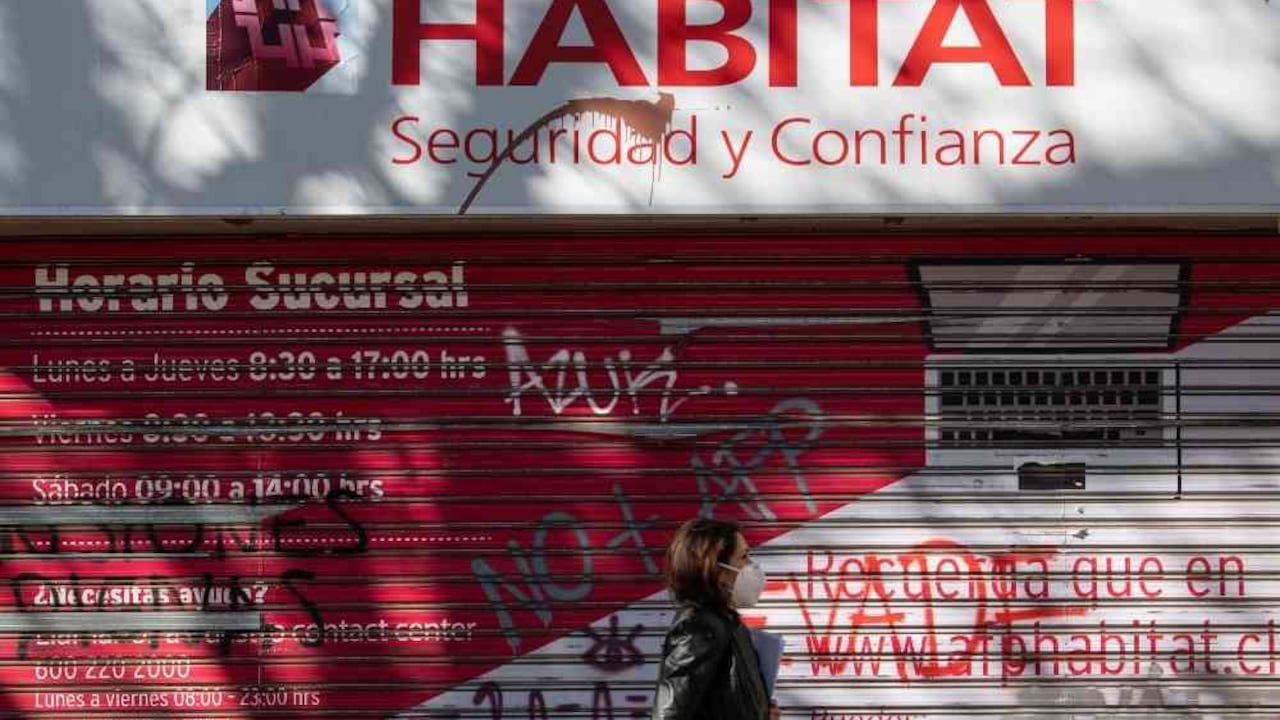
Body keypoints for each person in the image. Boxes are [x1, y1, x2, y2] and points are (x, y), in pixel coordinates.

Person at [653, 518, 782, 720]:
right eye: (744, 557)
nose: (752, 566)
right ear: (717, 568)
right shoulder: (699, 627)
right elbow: (670, 715)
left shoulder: (727, 623)